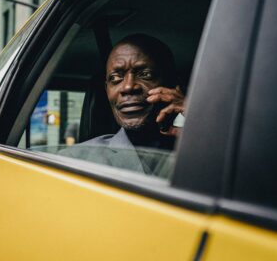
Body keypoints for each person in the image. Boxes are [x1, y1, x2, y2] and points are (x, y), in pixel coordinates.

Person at [60, 34, 185, 176]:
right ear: (107, 89)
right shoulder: (75, 160)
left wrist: (195, 114)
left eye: (145, 74)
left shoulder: (202, 149)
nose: (128, 87)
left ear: (173, 85)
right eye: (115, 78)